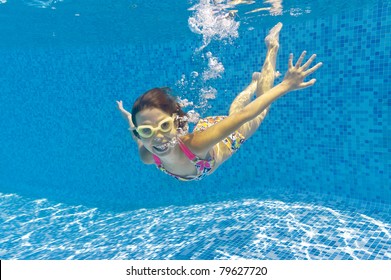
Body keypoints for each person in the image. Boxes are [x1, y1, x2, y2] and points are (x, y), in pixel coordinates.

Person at [116, 22, 322, 181]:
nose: (157, 137)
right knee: (233, 112)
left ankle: (272, 47)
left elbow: (245, 115)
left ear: (175, 122)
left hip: (222, 140)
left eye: (163, 126)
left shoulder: (196, 145)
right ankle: (252, 84)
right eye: (146, 131)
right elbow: (138, 138)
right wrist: (129, 120)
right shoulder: (148, 155)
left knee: (260, 110)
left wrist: (285, 85)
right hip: (207, 127)